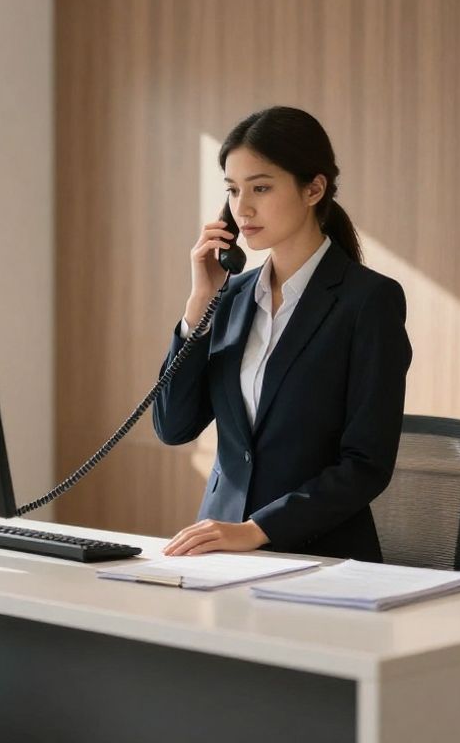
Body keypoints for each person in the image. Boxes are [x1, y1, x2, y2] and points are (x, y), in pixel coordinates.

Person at [153, 106, 412, 561]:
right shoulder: (228, 300)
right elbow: (173, 426)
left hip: (320, 558)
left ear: (313, 188)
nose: (242, 208)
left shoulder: (368, 301)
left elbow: (366, 465)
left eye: (261, 188)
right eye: (233, 191)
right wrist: (199, 306)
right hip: (220, 555)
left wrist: (258, 529)